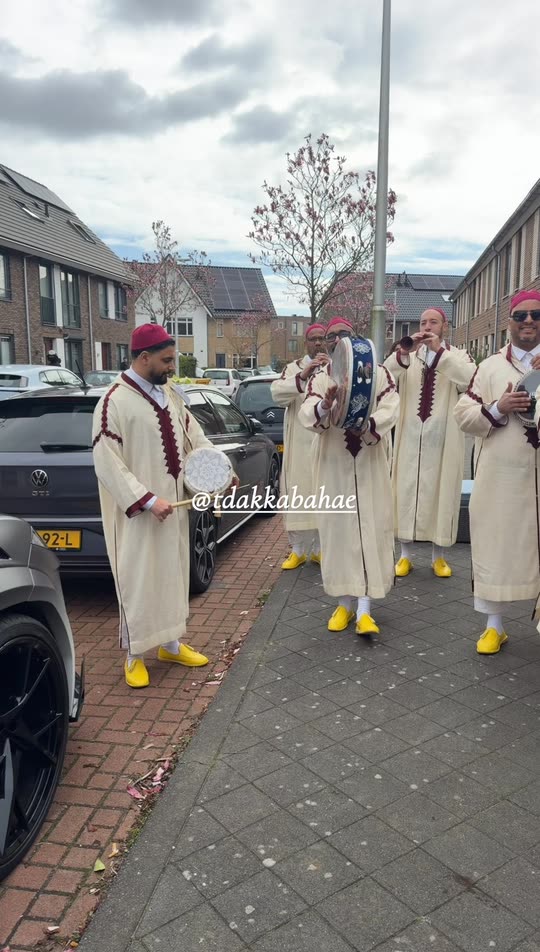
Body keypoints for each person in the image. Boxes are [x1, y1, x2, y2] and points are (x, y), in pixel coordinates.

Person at [92, 323, 218, 688]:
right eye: (166, 360)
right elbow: (106, 461)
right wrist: (147, 500)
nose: (172, 367)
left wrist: (218, 471)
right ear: (144, 357)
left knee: (173, 575)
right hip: (138, 516)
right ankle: (134, 655)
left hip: (174, 510)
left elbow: (195, 439)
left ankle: (171, 645)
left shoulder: (170, 396)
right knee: (138, 580)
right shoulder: (113, 402)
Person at [454, 289, 540, 654]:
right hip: (501, 476)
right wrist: (498, 407)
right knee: (496, 544)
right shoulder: (489, 367)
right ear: (509, 322)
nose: (528, 321)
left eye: (536, 315)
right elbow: (463, 415)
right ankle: (494, 626)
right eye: (521, 315)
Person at [298, 347, 399, 635]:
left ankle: (365, 609)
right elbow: (308, 412)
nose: (338, 341)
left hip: (370, 463)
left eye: (344, 334)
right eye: (333, 337)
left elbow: (391, 407)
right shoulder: (321, 377)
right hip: (332, 466)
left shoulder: (380, 373)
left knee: (371, 528)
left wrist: (368, 425)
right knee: (337, 532)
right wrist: (325, 406)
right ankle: (343, 604)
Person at [384, 308, 475, 578]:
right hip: (409, 438)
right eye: (423, 322)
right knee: (406, 491)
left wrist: (440, 353)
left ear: (444, 326)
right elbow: (385, 376)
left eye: (433, 322)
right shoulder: (408, 355)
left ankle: (439, 557)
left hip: (444, 439)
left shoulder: (458, 356)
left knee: (442, 493)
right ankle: (405, 555)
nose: (427, 326)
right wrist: (403, 353)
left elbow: (470, 379)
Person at [271, 323, 329, 569]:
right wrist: (303, 375)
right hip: (299, 445)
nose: (318, 343)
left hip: (325, 442)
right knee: (298, 495)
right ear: (306, 342)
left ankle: (320, 549)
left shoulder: (334, 367)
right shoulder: (293, 368)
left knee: (323, 495)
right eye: (313, 339)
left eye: (322, 338)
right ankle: (297, 550)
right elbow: (277, 394)